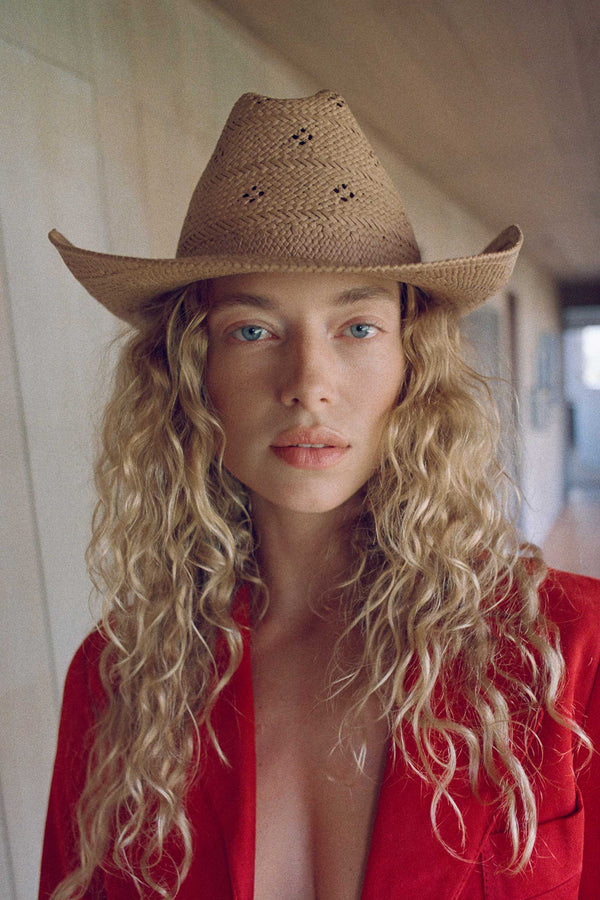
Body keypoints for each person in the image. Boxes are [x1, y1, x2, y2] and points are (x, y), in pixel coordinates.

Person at [39, 90, 599, 899]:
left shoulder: (567, 654)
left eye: (357, 327)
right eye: (252, 330)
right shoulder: (120, 680)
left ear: (413, 359)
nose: (308, 385)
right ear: (191, 371)